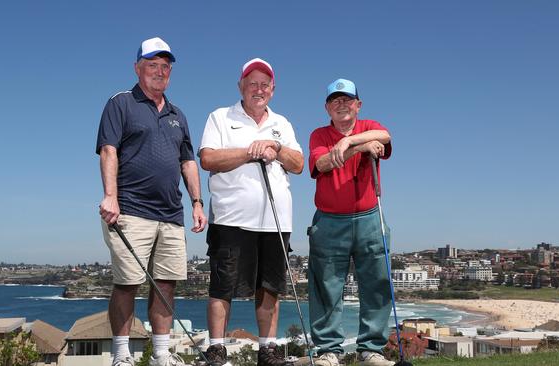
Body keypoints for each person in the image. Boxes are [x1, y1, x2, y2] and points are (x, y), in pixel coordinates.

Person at [96, 37, 207, 366]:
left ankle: (161, 354)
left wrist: (198, 203)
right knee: (127, 283)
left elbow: (188, 162)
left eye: (165, 67)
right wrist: (110, 196)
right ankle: (121, 355)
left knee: (165, 285)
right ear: (137, 68)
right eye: (152, 65)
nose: (159, 72)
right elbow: (108, 150)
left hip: (171, 215)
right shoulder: (121, 103)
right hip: (129, 210)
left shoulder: (178, 115)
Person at [198, 58, 304, 366]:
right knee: (222, 286)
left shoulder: (281, 124)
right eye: (252, 83)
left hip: (276, 221)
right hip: (231, 220)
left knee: (269, 288)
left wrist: (275, 147)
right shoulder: (220, 117)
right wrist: (249, 151)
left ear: (273, 89)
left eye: (265, 84)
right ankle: (217, 349)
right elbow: (208, 159)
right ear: (241, 86)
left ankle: (267, 349)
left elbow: (297, 164)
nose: (258, 89)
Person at [307, 79, 394, 366]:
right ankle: (328, 351)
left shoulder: (370, 125)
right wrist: (361, 147)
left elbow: (385, 135)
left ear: (358, 105)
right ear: (326, 108)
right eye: (335, 100)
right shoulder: (319, 135)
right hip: (330, 222)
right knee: (326, 287)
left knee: (376, 284)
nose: (341, 104)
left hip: (369, 217)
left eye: (347, 99)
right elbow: (323, 164)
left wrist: (349, 140)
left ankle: (371, 350)